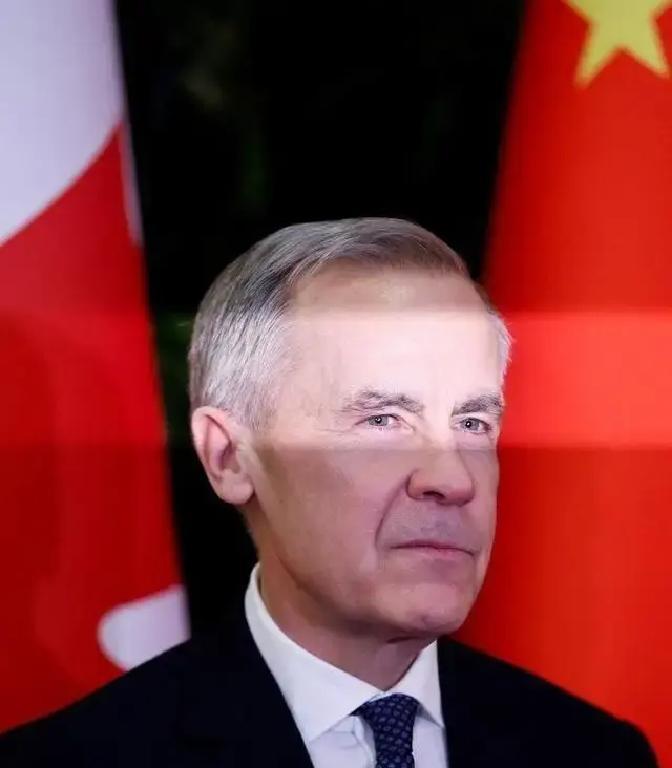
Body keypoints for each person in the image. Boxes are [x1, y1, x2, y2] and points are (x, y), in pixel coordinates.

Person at [0, 218, 658, 767]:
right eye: (383, 420)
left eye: (472, 423)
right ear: (229, 456)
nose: (454, 479)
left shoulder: (596, 754)